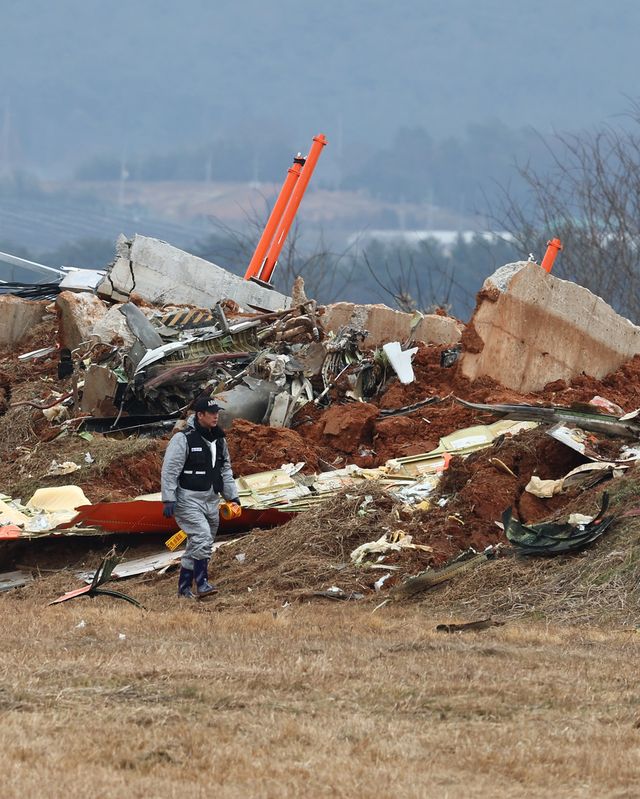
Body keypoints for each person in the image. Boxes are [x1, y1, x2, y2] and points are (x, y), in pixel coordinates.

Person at [161, 396, 240, 598]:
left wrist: (232, 497)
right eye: (211, 413)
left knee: (201, 543)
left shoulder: (219, 440)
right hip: (188, 499)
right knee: (202, 537)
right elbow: (170, 470)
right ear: (200, 415)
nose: (216, 416)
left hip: (211, 499)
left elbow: (225, 470)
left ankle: (184, 588)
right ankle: (202, 583)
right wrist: (168, 498)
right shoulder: (183, 439)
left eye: (217, 412)